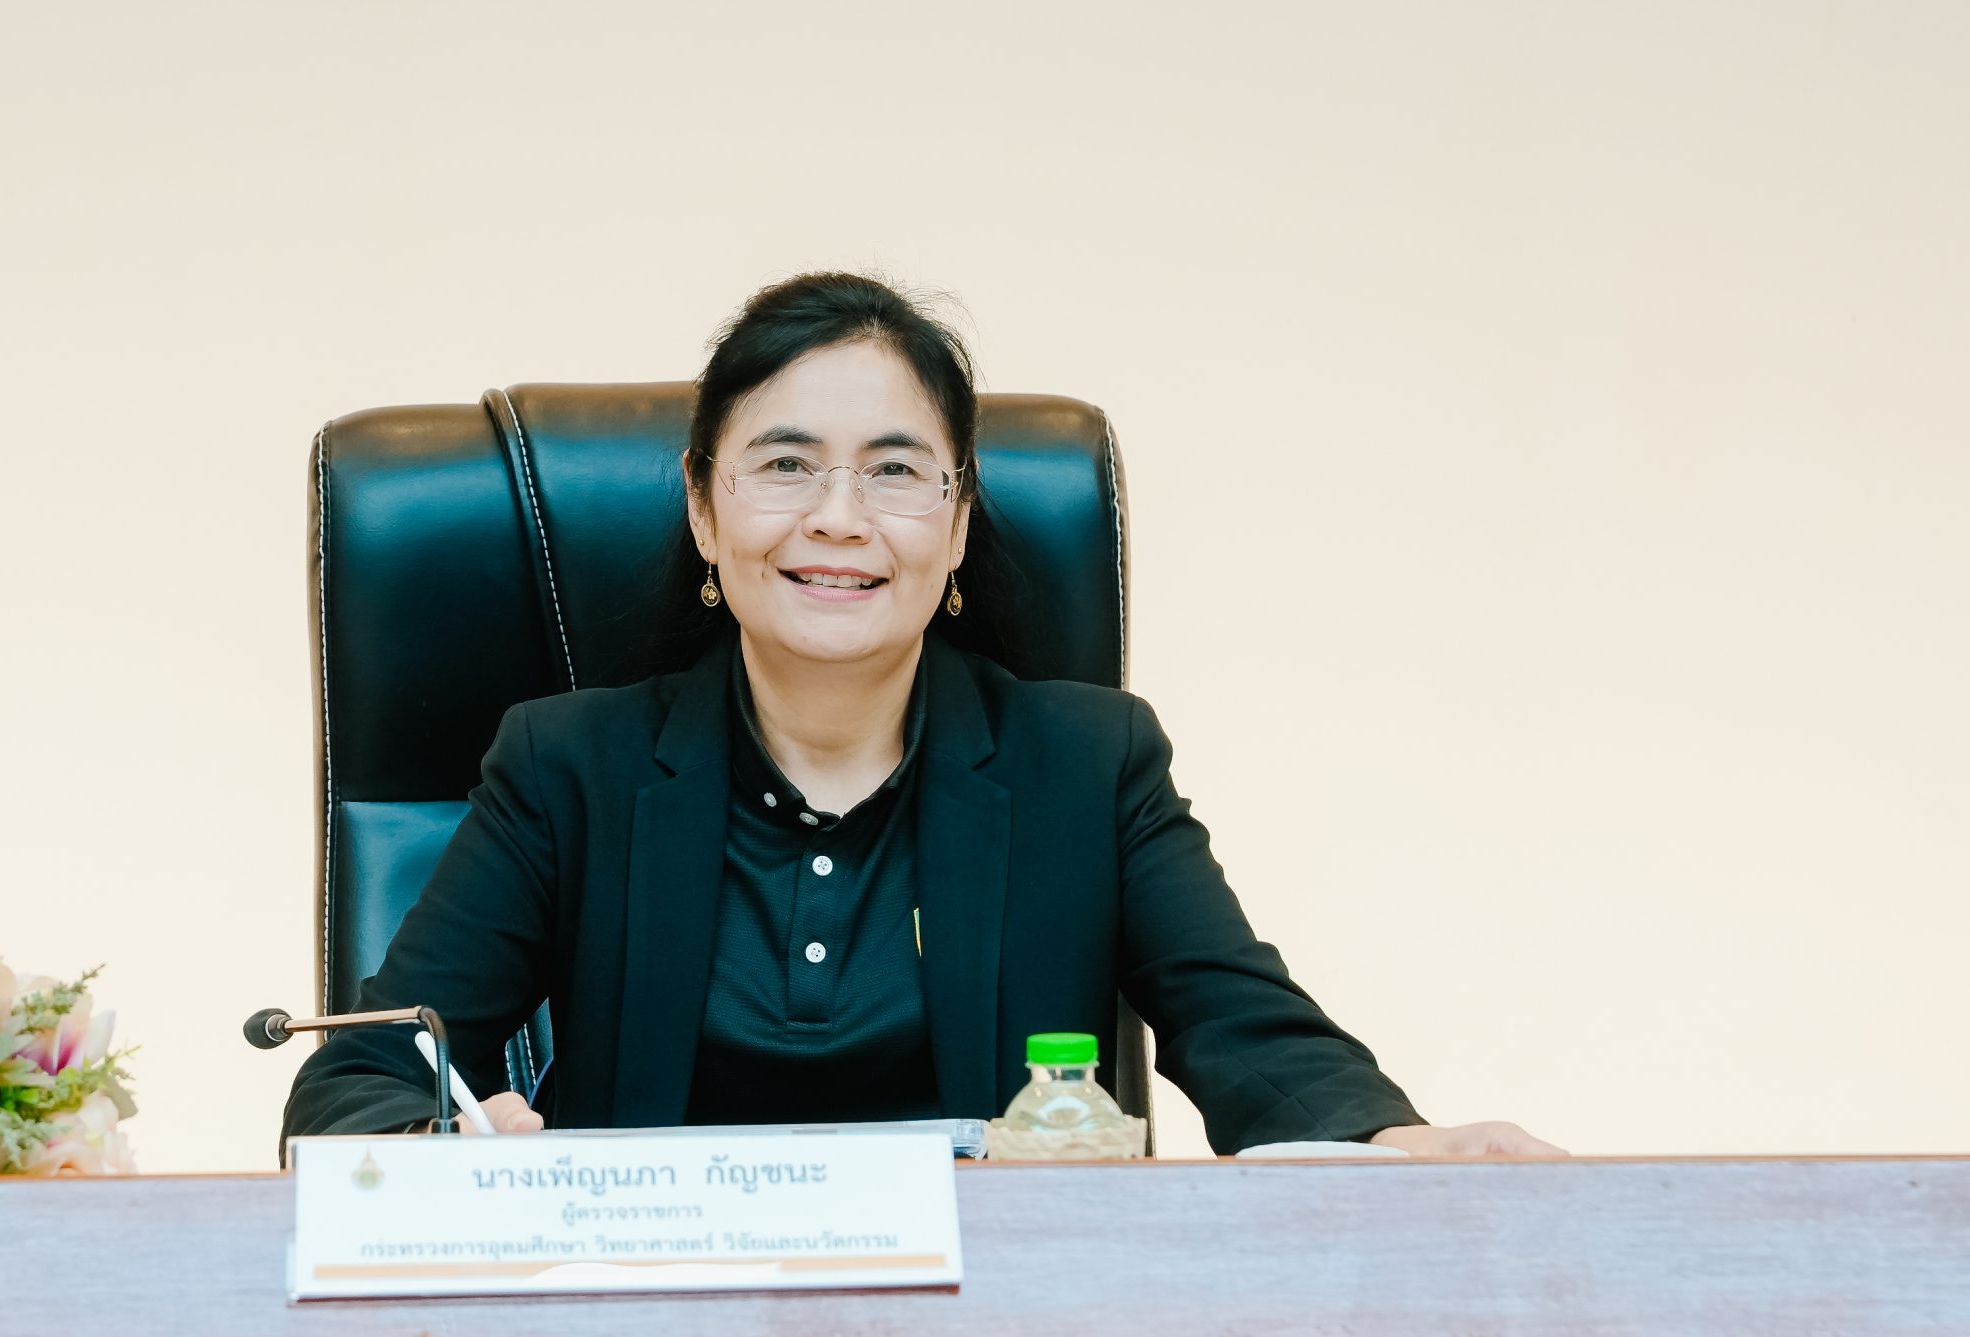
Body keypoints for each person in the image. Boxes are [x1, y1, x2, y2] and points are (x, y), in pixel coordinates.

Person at [280, 272, 1564, 1159]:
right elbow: (358, 1085)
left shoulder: (1086, 764)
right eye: (785, 465)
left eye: (895, 472)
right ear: (703, 511)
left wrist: (1401, 1144)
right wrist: (438, 1149)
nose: (839, 518)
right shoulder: (570, 768)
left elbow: (1253, 1040)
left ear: (954, 528)